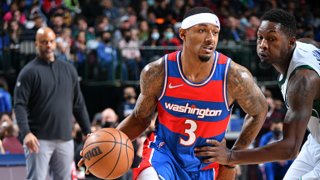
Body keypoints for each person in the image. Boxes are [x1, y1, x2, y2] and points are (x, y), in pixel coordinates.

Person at [78, 7, 268, 180]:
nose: (210, 38)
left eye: (215, 32)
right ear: (183, 34)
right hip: (164, 154)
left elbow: (259, 111)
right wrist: (100, 149)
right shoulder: (158, 72)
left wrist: (233, 156)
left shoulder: (234, 76)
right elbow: (139, 118)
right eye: (202, 30)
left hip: (206, 164)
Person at [194, 9, 320, 180]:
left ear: (290, 42)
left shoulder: (302, 79)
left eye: (272, 39)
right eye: (260, 37)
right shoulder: (307, 45)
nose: (263, 45)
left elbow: (290, 148)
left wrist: (231, 156)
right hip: (315, 141)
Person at [14, 27, 91, 180]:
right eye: (44, 42)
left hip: (65, 139)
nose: (48, 45)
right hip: (38, 140)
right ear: (36, 44)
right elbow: (19, 105)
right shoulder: (28, 72)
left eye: (51, 41)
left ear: (55, 43)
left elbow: (78, 103)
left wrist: (87, 131)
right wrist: (26, 133)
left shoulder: (69, 69)